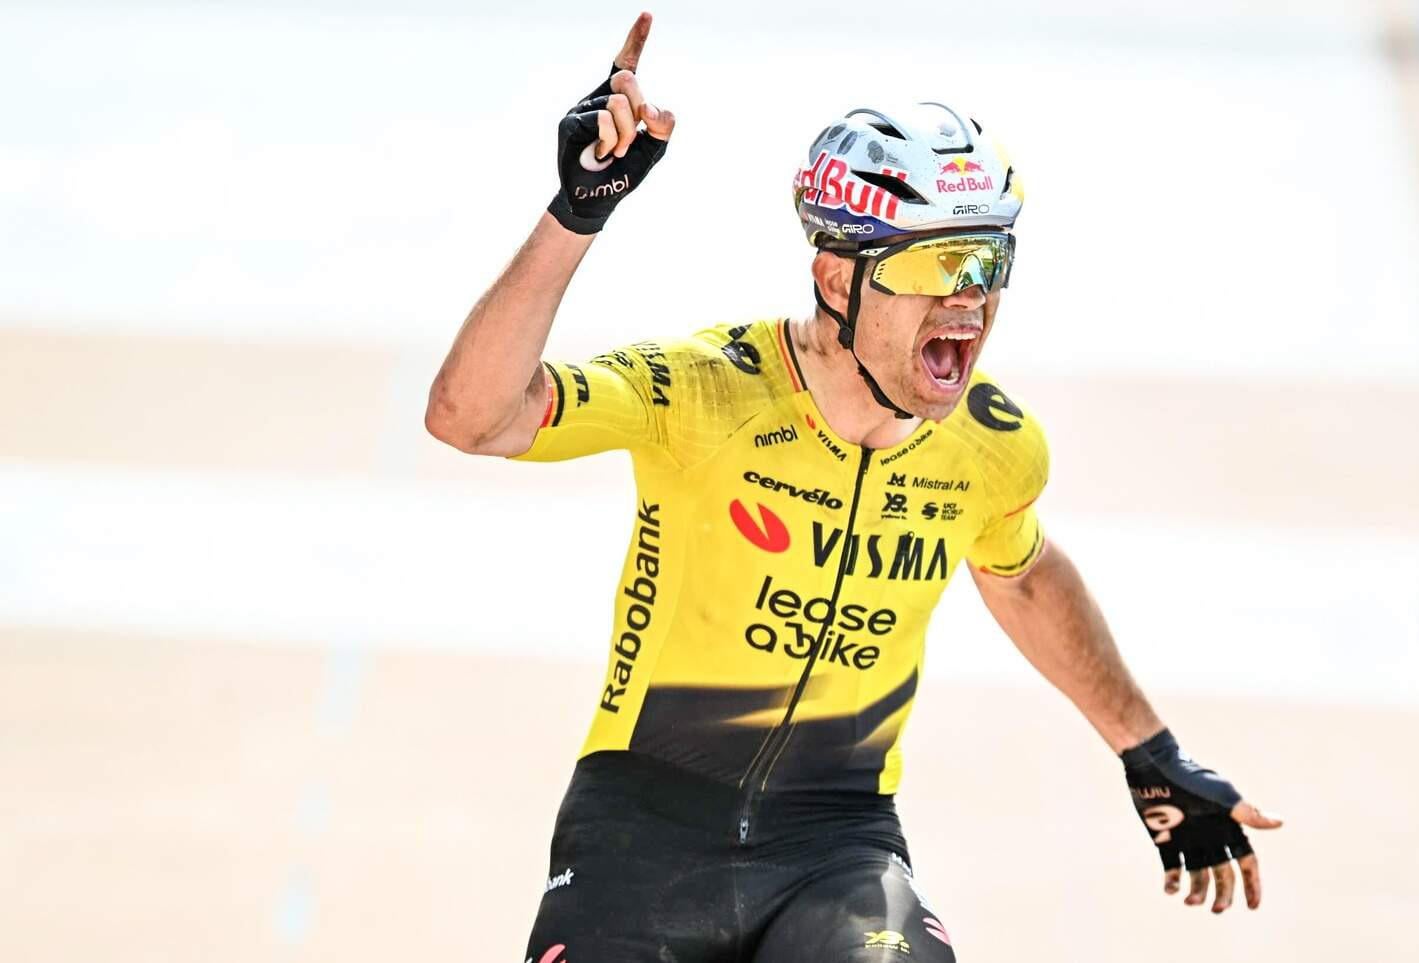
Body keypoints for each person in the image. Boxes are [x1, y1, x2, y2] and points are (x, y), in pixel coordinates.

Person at [425, 13, 1283, 962]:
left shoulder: (991, 445)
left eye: (987, 260)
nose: (969, 297)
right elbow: (471, 416)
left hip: (836, 846)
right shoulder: (704, 391)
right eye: (934, 263)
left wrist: (1150, 750)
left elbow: (1024, 573)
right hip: (642, 830)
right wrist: (575, 213)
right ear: (837, 278)